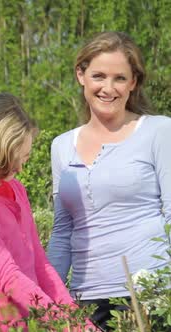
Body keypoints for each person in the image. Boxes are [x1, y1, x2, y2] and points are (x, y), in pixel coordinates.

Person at [47, 31, 171, 331]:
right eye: (99, 76)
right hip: (85, 299)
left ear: (134, 83)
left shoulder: (159, 131)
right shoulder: (62, 145)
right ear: (81, 75)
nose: (108, 88)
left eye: (119, 78)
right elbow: (63, 230)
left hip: (150, 295)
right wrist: (49, 298)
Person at [0, 93, 88, 330]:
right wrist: (64, 324)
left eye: (26, 158)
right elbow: (8, 275)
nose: (20, 168)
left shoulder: (15, 188)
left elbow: (41, 266)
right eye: (12, 160)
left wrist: (77, 320)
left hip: (29, 319)